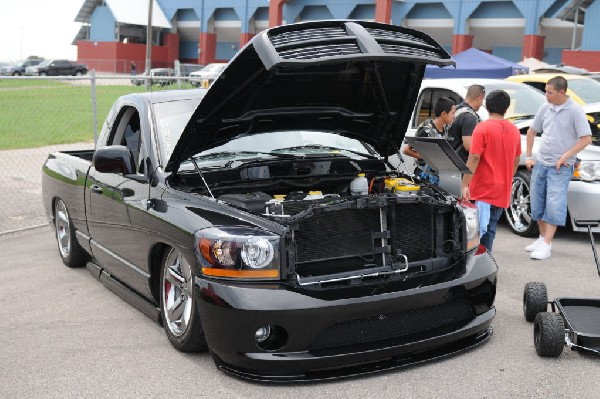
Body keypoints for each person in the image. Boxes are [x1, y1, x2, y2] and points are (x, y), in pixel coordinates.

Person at [524, 76, 592, 260]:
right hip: (541, 163)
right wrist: (529, 156)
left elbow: (586, 138)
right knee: (537, 203)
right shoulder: (545, 107)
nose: (546, 95)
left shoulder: (575, 111)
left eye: (549, 92)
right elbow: (531, 131)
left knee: (554, 204)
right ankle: (541, 238)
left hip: (561, 167)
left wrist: (566, 155)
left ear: (561, 92)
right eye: (546, 91)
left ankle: (547, 245)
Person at [461, 90, 521, 253]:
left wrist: (465, 183)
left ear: (486, 106)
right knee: (491, 228)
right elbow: (516, 160)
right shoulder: (514, 130)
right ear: (506, 108)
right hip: (502, 189)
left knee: (476, 231)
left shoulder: (482, 128)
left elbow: (474, 157)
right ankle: (487, 260)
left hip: (483, 189)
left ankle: (478, 265)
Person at [403, 96, 456, 184]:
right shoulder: (426, 130)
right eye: (452, 113)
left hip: (438, 177)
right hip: (424, 178)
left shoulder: (446, 129)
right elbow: (406, 150)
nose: (454, 116)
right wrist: (426, 157)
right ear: (443, 114)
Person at [447, 84, 486, 163]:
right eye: (482, 100)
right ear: (480, 97)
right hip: (460, 164)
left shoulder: (455, 110)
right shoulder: (469, 117)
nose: (482, 104)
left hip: (449, 159)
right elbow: (469, 146)